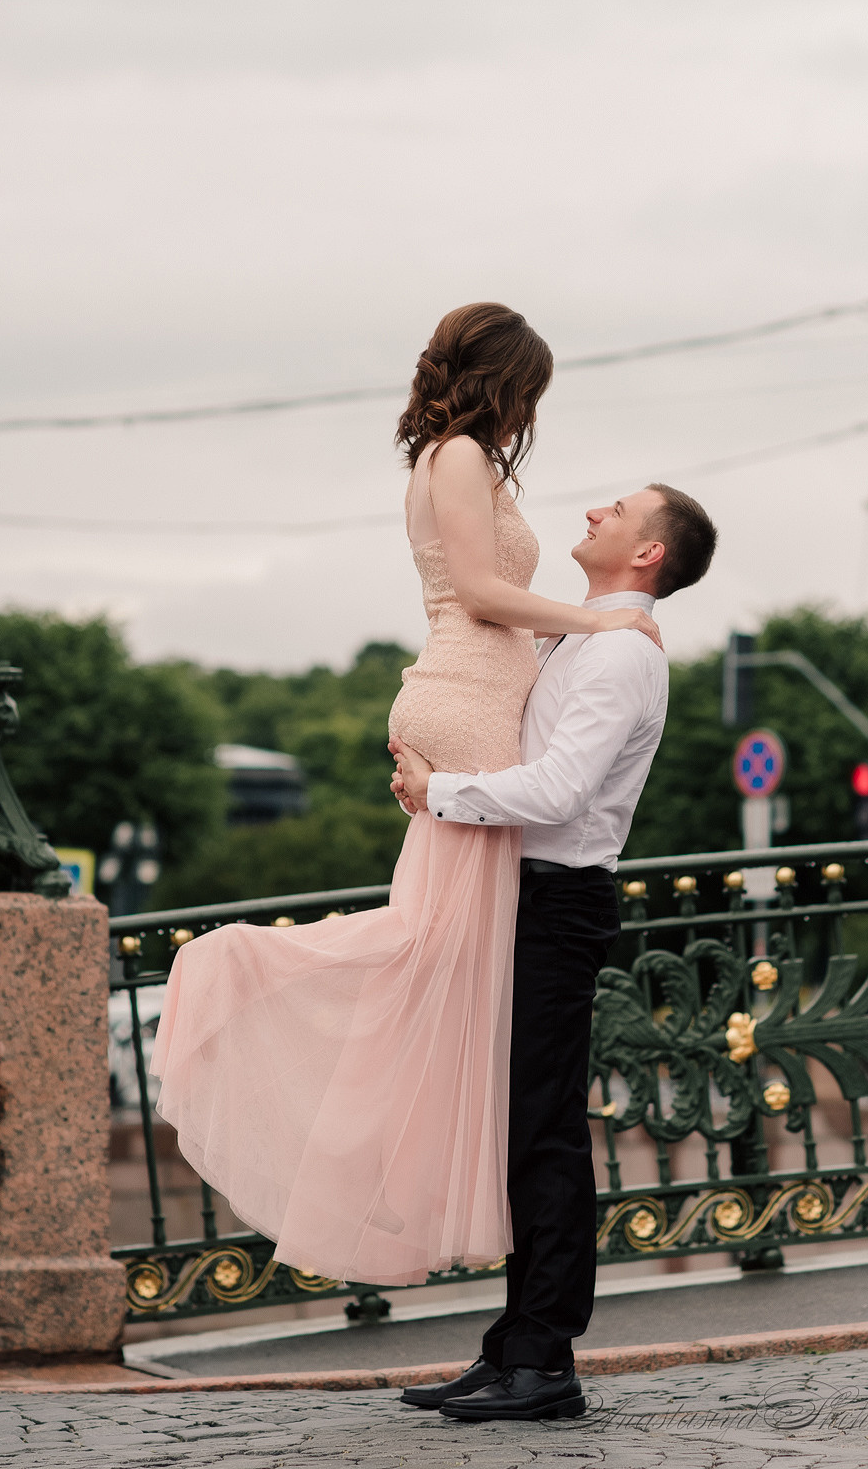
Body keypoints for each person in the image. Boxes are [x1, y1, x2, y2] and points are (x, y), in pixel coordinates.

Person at [150, 302, 659, 1292]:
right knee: (435, 951)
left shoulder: (447, 455)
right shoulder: (461, 455)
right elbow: (478, 594)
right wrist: (603, 625)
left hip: (465, 699)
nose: (528, 417)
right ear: (503, 381)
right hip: (467, 697)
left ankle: (438, 1215)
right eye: (529, 395)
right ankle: (239, 976)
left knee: (440, 954)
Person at [390, 481, 717, 1421]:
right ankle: (513, 1349)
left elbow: (563, 790)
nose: (591, 515)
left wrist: (441, 788)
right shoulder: (577, 634)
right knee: (519, 1127)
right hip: (516, 891)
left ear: (648, 554)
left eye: (616, 511)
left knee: (542, 1129)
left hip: (557, 897)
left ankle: (544, 1362)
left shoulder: (620, 654)